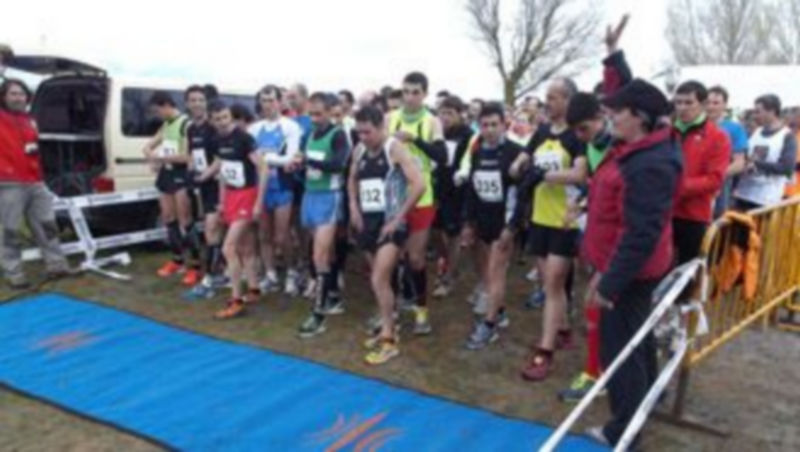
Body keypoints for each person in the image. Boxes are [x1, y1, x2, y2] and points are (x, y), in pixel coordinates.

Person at [582, 79, 681, 448]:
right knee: (637, 340)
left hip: (628, 271)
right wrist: (614, 58)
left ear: (638, 118)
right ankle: (648, 401)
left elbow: (641, 234)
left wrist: (609, 283)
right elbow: (632, 89)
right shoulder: (642, 145)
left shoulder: (649, 163)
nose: (610, 117)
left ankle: (624, 429)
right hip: (624, 266)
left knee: (620, 351)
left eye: (616, 112)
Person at [521, 77, 588, 382]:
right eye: (547, 96)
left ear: (569, 101)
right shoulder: (542, 131)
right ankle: (562, 329)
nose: (549, 102)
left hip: (565, 218)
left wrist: (545, 175)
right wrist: (520, 167)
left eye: (556, 97)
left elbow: (580, 173)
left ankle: (544, 351)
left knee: (552, 284)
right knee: (552, 285)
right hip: (539, 217)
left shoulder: (577, 135)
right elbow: (521, 161)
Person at [348, 106, 425, 365]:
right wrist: (354, 207)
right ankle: (388, 324)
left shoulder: (394, 148)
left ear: (382, 127)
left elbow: (419, 184)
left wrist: (399, 217)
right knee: (379, 280)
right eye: (359, 132)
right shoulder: (359, 149)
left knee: (379, 277)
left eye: (368, 132)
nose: (363, 137)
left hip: (391, 224)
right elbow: (352, 180)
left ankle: (389, 338)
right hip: (368, 222)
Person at [459, 103, 529, 350]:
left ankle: (489, 325)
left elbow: (523, 195)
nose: (489, 130)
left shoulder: (516, 152)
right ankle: (498, 311)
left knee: (496, 271)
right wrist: (468, 222)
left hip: (506, 221)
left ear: (504, 125)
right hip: (484, 220)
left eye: (494, 125)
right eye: (484, 125)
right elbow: (472, 189)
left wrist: (512, 226)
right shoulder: (477, 151)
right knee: (488, 273)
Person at [388, 72, 447, 335]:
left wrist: (415, 141)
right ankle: (393, 309)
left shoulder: (431, 121)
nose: (410, 97)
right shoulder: (390, 118)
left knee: (415, 258)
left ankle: (421, 310)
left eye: (415, 92)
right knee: (391, 256)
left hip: (421, 197)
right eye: (406, 91)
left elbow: (442, 156)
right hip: (394, 196)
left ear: (424, 94)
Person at [0, 78, 73, 288]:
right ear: (3, 96)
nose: (18, 97)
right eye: (13, 93)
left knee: (47, 225)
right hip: (8, 184)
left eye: (21, 93)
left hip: (35, 182)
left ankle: (57, 266)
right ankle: (14, 274)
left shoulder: (30, 120)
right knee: (12, 230)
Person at [290, 92, 351, 338]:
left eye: (318, 114)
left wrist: (309, 162)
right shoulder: (310, 134)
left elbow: (339, 164)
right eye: (311, 113)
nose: (314, 118)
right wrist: (296, 164)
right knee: (323, 252)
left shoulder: (338, 134)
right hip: (310, 195)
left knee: (319, 254)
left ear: (330, 112)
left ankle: (318, 314)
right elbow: (303, 161)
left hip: (330, 196)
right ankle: (333, 296)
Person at [207, 102, 265, 319]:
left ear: (230, 117)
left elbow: (263, 167)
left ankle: (236, 300)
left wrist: (258, 201)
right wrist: (222, 201)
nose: (222, 122)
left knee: (228, 248)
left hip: (247, 195)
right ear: (212, 120)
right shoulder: (217, 140)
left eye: (225, 117)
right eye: (217, 118)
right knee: (245, 247)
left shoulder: (244, 138)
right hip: (231, 195)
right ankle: (254, 288)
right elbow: (223, 169)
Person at [142, 91, 202, 285]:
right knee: (168, 217)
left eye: (157, 110)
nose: (157, 115)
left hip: (181, 174)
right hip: (166, 174)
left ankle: (195, 265)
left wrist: (160, 157)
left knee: (185, 220)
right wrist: (151, 156)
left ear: (167, 105)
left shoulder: (186, 124)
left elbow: (187, 156)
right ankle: (177, 260)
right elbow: (148, 146)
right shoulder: (166, 124)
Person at [248, 85, 303, 296]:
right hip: (262, 188)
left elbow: (290, 158)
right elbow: (249, 158)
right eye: (264, 100)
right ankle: (270, 274)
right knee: (264, 235)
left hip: (282, 187)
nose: (268, 105)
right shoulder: (254, 129)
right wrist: (267, 161)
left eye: (271, 100)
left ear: (280, 102)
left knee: (282, 236)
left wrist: (264, 159)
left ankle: (291, 272)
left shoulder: (290, 126)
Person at [672, 81, 730, 264]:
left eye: (689, 102)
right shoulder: (667, 133)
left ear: (703, 104)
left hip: (693, 216)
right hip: (663, 212)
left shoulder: (718, 137)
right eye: (678, 102)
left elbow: (715, 179)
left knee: (686, 273)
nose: (682, 108)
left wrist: (678, 187)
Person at [183, 85, 226, 300]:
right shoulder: (191, 129)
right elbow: (192, 154)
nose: (197, 103)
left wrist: (206, 174)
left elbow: (221, 157)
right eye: (193, 100)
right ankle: (217, 272)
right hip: (203, 185)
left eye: (201, 100)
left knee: (212, 229)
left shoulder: (213, 128)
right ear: (187, 104)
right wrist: (191, 172)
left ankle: (210, 277)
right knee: (210, 230)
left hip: (219, 184)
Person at [431, 96, 474, 298]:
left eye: (450, 113)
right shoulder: (436, 132)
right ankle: (446, 261)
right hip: (436, 186)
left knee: (454, 233)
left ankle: (449, 276)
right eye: (442, 112)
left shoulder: (467, 135)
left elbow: (469, 161)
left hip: (457, 188)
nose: (445, 117)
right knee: (435, 230)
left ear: (459, 114)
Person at [734, 94, 798, 210]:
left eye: (758, 111)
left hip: (766, 200)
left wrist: (757, 164)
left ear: (772, 111)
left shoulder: (787, 136)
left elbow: (787, 167)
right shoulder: (756, 131)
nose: (755, 116)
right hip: (743, 193)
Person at [707, 86, 749, 217]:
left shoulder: (734, 128)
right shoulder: (693, 126)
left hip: (720, 186)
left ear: (725, 105)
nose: (711, 107)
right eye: (708, 102)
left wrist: (714, 177)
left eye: (716, 103)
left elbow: (739, 163)